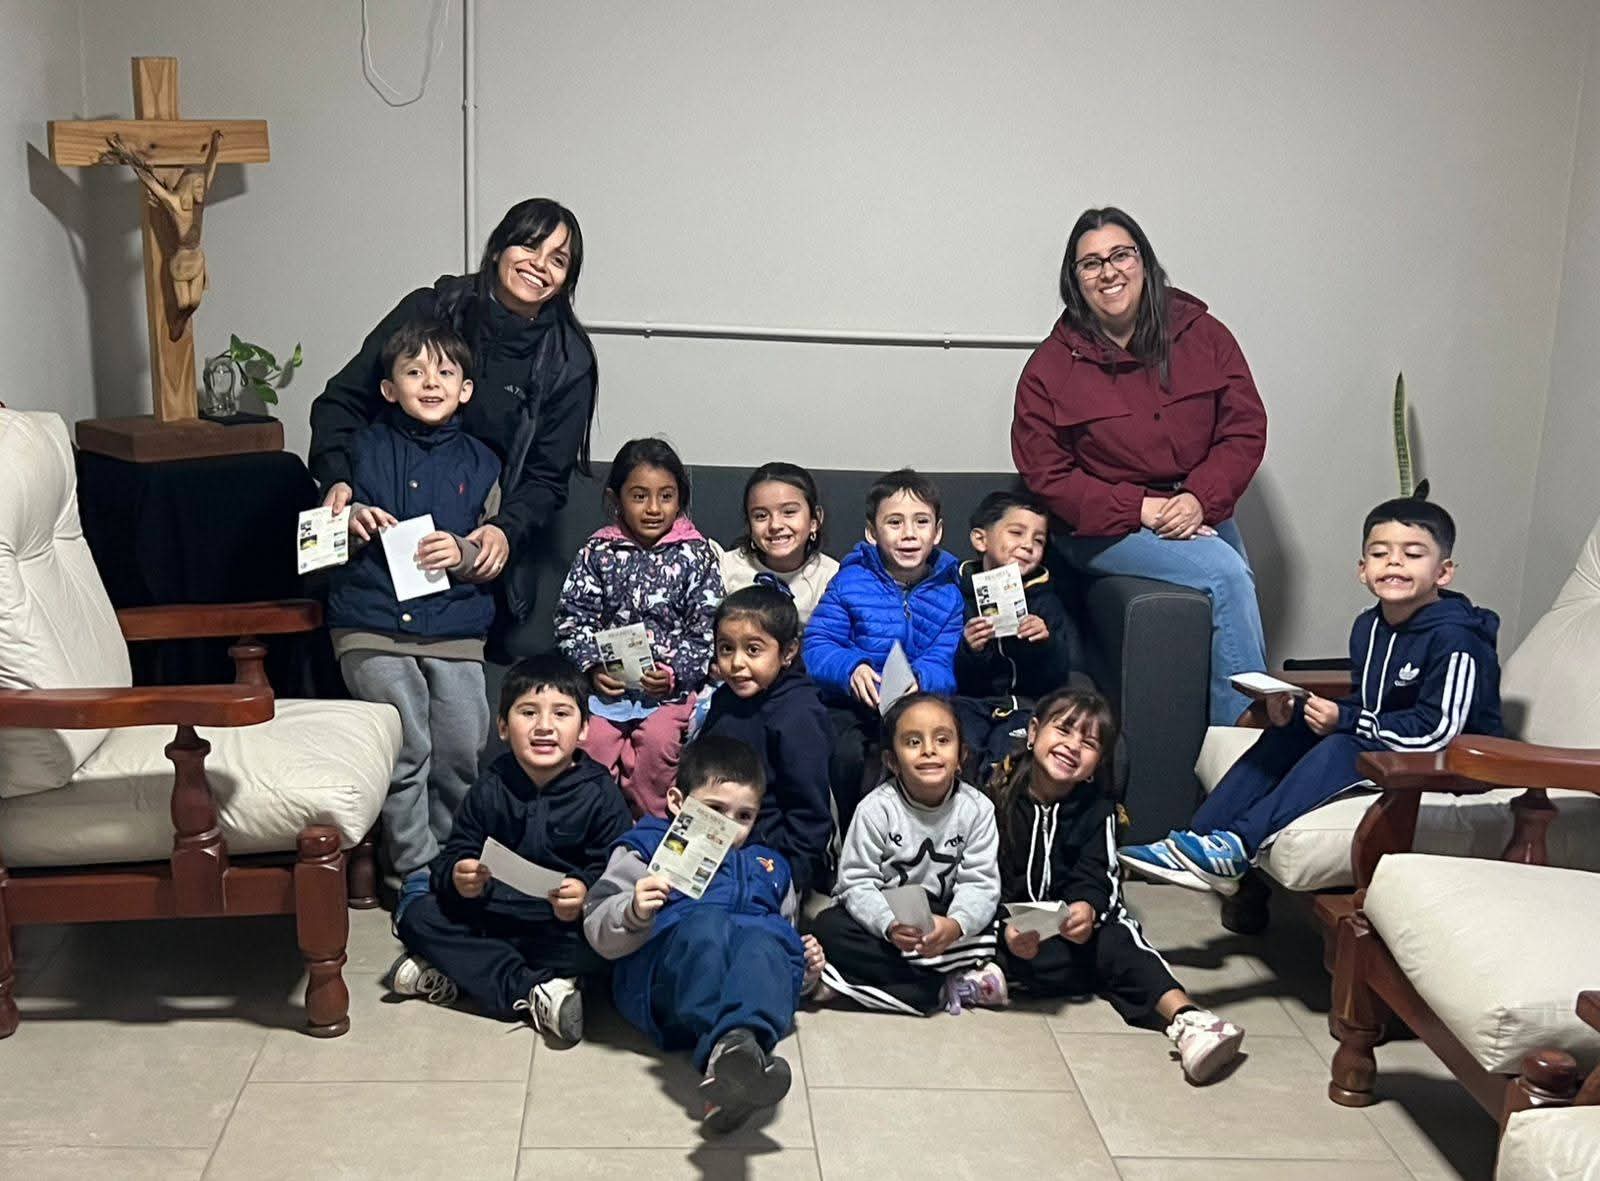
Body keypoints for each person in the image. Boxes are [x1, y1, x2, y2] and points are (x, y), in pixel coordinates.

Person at [1120, 495, 1503, 894]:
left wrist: (1347, 720)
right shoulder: (1369, 626)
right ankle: (1200, 839)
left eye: (1412, 554)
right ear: (1362, 570)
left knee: (1342, 745)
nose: (1393, 562)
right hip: (1392, 746)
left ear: (1443, 573)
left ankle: (1239, 845)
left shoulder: (1457, 639)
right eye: (1379, 552)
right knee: (1296, 729)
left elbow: (1439, 732)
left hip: (1457, 767)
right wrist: (1307, 709)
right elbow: (1375, 703)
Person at [1011, 206, 1269, 726]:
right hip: (1102, 527)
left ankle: (1226, 746)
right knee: (1225, 576)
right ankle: (1246, 757)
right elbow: (1048, 477)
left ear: (1143, 262)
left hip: (1199, 506)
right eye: (1091, 263)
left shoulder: (1205, 335)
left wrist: (1198, 499)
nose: (1109, 272)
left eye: (1121, 255)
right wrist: (1142, 509)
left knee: (1236, 583)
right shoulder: (1049, 368)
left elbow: (1243, 428)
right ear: (1075, 280)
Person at [310, 198, 598, 640]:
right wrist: (338, 483)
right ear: (499, 246)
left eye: (557, 260)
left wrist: (504, 531)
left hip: (470, 547)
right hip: (378, 532)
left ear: (566, 280)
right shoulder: (432, 308)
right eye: (528, 245)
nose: (539, 265)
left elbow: (545, 478)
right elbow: (340, 403)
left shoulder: (567, 359)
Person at [326, 321, 502, 920]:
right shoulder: (358, 451)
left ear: (466, 389)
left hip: (454, 627)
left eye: (445, 373)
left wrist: (465, 552)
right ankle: (412, 873)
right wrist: (345, 524)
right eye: (414, 372)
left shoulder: (483, 463)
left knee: (459, 745)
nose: (431, 382)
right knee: (408, 744)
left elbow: (493, 554)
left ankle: (456, 862)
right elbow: (315, 542)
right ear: (388, 388)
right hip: (372, 624)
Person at [992, 687, 1245, 1084]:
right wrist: (1004, 929)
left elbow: (1100, 877)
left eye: (1089, 742)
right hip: (1009, 931)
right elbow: (980, 877)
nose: (1073, 746)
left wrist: (1085, 910)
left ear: (1096, 764)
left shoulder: (1098, 810)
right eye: (1064, 730)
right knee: (963, 928)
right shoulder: (996, 795)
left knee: (1119, 939)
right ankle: (986, 975)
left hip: (1073, 938)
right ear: (1033, 732)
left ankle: (1190, 1020)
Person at [583, 737, 827, 1134]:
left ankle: (735, 1052)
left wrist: (807, 970)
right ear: (678, 801)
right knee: (707, 925)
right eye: (715, 810)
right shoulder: (646, 848)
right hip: (669, 984)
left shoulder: (771, 866)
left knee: (768, 940)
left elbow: (781, 955)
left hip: (746, 993)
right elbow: (596, 928)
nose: (729, 828)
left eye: (744, 816)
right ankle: (731, 1052)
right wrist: (633, 910)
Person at [386, 654, 634, 1044]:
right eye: (528, 713)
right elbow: (458, 848)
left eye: (562, 714)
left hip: (558, 927)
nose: (544, 727)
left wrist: (585, 890)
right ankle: (533, 991)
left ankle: (463, 972)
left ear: (585, 729)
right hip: (493, 914)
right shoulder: (492, 784)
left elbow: (617, 864)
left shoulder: (599, 792)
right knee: (418, 915)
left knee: (610, 950)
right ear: (503, 727)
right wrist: (459, 874)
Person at [553, 437, 722, 817]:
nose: (653, 508)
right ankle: (594, 826)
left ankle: (651, 829)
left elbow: (707, 630)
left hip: (669, 694)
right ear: (617, 499)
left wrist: (674, 674)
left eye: (666, 496)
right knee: (592, 742)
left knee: (660, 743)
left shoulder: (696, 555)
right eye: (639, 496)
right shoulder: (598, 552)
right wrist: (593, 667)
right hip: (607, 690)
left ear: (680, 499)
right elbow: (572, 618)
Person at [809, 693, 1006, 1015]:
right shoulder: (875, 809)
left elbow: (980, 884)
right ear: (892, 761)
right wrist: (888, 925)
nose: (929, 750)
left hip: (945, 915)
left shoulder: (978, 809)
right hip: (891, 922)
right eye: (913, 742)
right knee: (828, 927)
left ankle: (860, 983)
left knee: (1000, 928)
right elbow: (855, 884)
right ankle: (938, 985)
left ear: (961, 756)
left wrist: (955, 925)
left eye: (942, 740)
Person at [803, 469, 964, 830]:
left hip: (919, 702)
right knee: (847, 756)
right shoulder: (850, 582)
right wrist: (851, 667)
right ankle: (848, 839)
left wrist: (920, 679)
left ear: (937, 532)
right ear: (872, 533)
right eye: (894, 522)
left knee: (942, 748)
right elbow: (817, 644)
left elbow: (946, 658)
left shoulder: (950, 594)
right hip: (855, 705)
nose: (909, 533)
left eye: (921, 522)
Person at [699, 585, 834, 896]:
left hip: (766, 857)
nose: (736, 664)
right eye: (726, 648)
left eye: (753, 650)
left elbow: (809, 816)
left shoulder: (799, 716)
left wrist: (787, 882)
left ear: (787, 652)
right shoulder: (724, 700)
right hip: (709, 842)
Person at [954, 489, 1073, 782]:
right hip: (970, 703)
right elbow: (955, 674)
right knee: (960, 747)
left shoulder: (1046, 600)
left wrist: (1044, 644)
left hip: (1026, 705)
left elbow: (1058, 675)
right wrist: (971, 649)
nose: (1027, 545)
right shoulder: (958, 593)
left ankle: (1002, 813)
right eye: (1016, 533)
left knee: (1009, 757)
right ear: (980, 539)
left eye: (1038, 540)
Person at [713, 462, 840, 627]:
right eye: (760, 516)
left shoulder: (831, 577)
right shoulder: (726, 568)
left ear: (814, 520)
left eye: (789, 512)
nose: (775, 525)